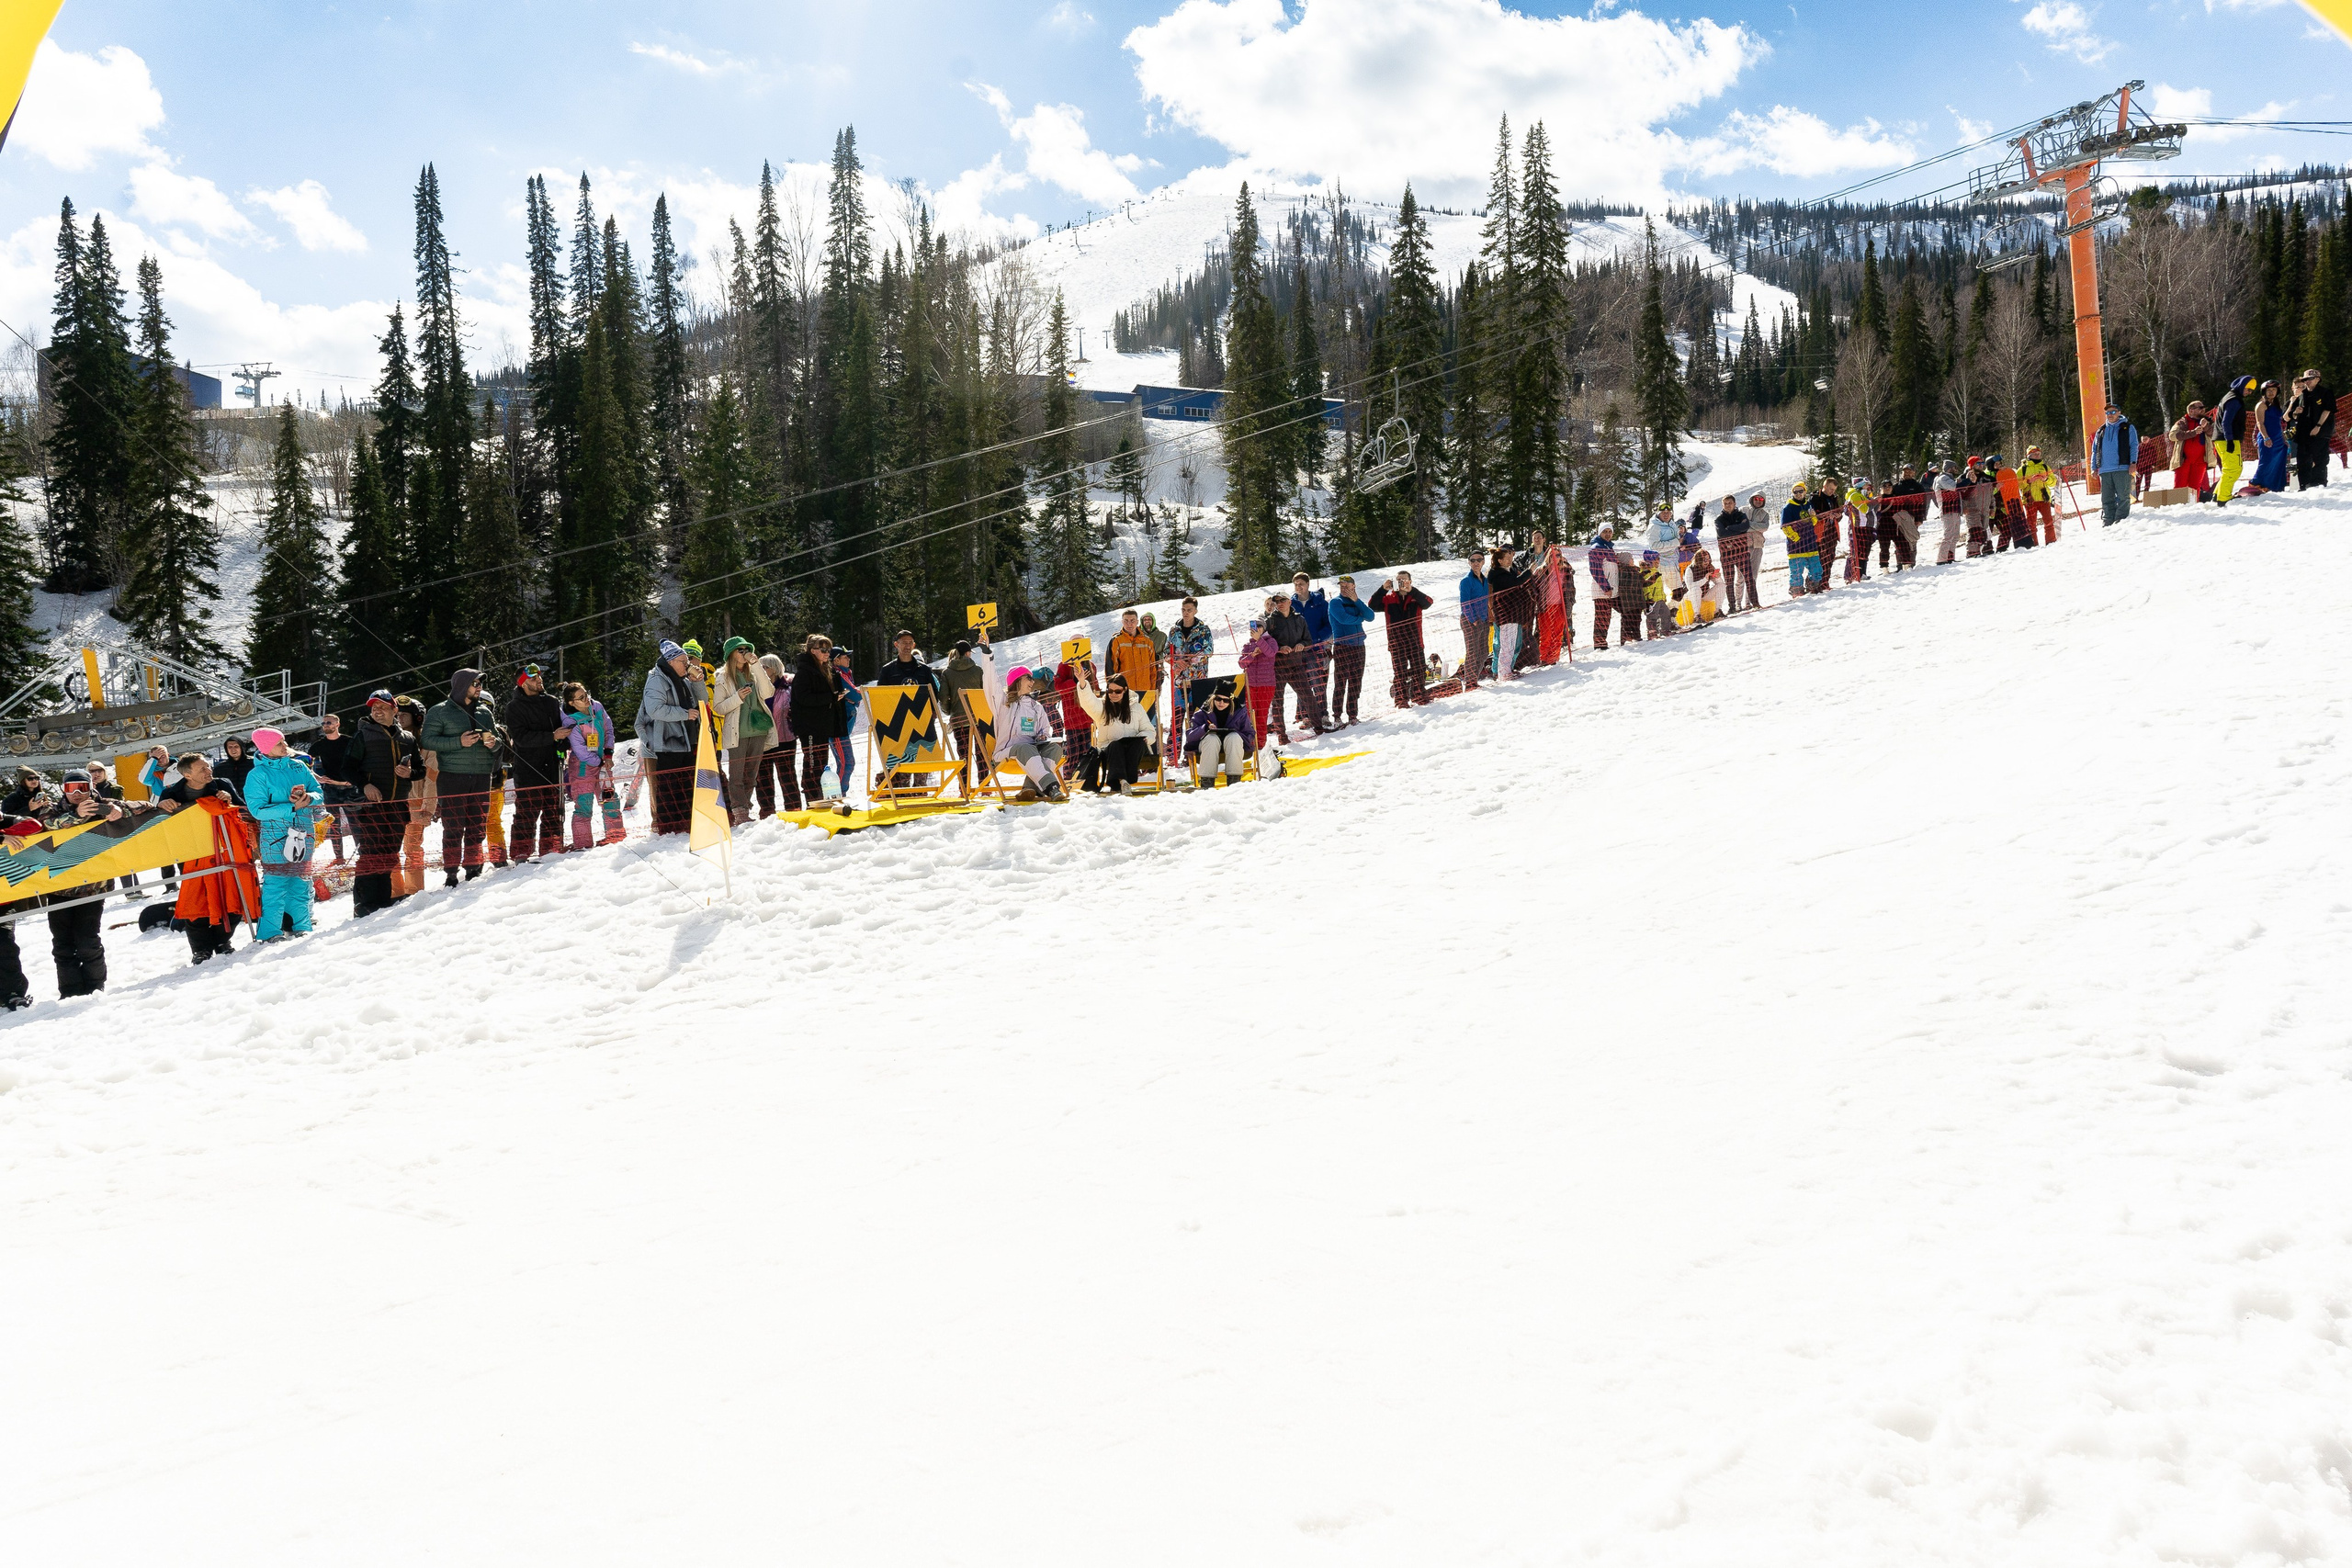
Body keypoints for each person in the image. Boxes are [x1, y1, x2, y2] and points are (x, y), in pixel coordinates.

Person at [155, 751, 256, 963]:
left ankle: (223, 941)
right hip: (192, 854)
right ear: (187, 775)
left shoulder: (222, 784)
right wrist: (160, 806)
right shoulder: (172, 793)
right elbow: (161, 822)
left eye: (208, 767)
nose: (208, 771)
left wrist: (229, 801)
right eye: (202, 769)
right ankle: (200, 949)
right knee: (196, 900)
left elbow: (242, 809)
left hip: (226, 849)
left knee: (231, 894)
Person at [37, 771, 128, 995]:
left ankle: (96, 986)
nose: (77, 793)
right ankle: (69, 990)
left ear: (91, 787)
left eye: (82, 787)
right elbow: (44, 825)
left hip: (92, 887)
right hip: (59, 887)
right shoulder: (53, 809)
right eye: (71, 788)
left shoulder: (103, 805)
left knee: (87, 941)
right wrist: (75, 816)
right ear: (63, 790)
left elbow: (141, 806)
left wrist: (120, 810)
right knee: (62, 944)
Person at [419, 668, 503, 883]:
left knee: (477, 824)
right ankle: (451, 872)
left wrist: (493, 744)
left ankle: (474, 867)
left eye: (480, 684)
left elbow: (497, 740)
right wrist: (459, 742)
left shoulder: (485, 712)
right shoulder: (439, 711)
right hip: (452, 776)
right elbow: (427, 740)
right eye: (475, 683)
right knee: (453, 826)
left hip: (482, 775)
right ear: (462, 685)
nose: (479, 688)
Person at [243, 728, 322, 941]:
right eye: (279, 743)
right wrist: (291, 808)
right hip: (275, 836)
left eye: (284, 741)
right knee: (275, 884)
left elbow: (318, 791)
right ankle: (270, 932)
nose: (285, 745)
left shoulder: (298, 766)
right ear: (267, 748)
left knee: (301, 880)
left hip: (304, 831)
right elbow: (257, 810)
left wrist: (309, 798)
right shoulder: (257, 775)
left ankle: (302, 925)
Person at [350, 689, 417, 917]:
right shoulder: (362, 735)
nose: (377, 711)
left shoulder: (408, 738)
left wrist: (410, 773)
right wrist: (365, 786)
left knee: (390, 852)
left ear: (394, 710)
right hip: (371, 806)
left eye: (382, 707)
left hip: (398, 805)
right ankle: (363, 903)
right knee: (371, 853)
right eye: (374, 708)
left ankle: (382, 899)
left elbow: (421, 770)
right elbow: (347, 768)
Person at [639, 639, 709, 831]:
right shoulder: (656, 679)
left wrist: (698, 683)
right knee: (669, 789)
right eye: (684, 662)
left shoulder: (684, 679)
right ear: (671, 662)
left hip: (688, 741)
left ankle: (687, 823)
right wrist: (684, 714)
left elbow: (703, 701)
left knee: (687, 786)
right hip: (667, 742)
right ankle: (669, 828)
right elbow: (654, 710)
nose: (688, 666)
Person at [502, 662, 569, 862]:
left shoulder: (550, 702)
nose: (539, 680)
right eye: (533, 678)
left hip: (552, 765)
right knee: (527, 812)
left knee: (553, 809)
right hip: (528, 767)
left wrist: (562, 742)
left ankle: (551, 849)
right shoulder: (513, 707)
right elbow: (521, 738)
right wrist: (552, 736)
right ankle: (521, 852)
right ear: (523, 683)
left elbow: (560, 729)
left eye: (539, 677)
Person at [710, 637, 777, 823]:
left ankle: (743, 810)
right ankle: (739, 812)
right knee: (737, 775)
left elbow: (768, 693)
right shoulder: (722, 677)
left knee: (751, 774)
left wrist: (756, 665)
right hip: (737, 732)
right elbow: (719, 707)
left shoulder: (754, 673)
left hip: (758, 730)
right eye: (740, 650)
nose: (745, 652)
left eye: (747, 648)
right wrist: (737, 697)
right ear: (731, 653)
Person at [989, 650, 1068, 803]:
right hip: (1005, 753)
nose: (1033, 681)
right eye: (1029, 677)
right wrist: (987, 655)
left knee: (1055, 748)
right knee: (1025, 747)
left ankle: (1029, 789)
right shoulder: (1003, 703)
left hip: (1031, 753)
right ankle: (1052, 787)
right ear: (1017, 680)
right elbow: (991, 682)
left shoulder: (1036, 706)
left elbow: (1045, 728)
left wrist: (1043, 736)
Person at [1072, 668, 1161, 794]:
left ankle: (1122, 781)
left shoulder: (1136, 707)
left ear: (1125, 690)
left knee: (1140, 743)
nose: (1113, 694)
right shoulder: (1102, 707)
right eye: (1110, 691)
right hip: (1110, 750)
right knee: (1116, 745)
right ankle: (1122, 781)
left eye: (1117, 691)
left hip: (1133, 749)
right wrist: (1082, 683)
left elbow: (1149, 730)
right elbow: (1089, 703)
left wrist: (1146, 737)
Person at [786, 634, 847, 807]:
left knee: (821, 764)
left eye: (829, 649)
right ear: (813, 651)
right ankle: (812, 800)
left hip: (823, 725)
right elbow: (804, 699)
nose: (828, 653)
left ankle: (820, 797)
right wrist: (831, 697)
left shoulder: (826, 669)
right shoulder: (804, 672)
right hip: (809, 727)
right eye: (824, 650)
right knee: (812, 764)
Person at [557, 682, 616, 849]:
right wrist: (599, 762)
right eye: (581, 698)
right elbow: (580, 749)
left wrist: (608, 753)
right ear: (571, 703)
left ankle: (615, 836)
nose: (587, 699)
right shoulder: (570, 720)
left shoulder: (596, 707)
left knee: (610, 799)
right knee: (584, 806)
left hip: (603, 761)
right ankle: (583, 844)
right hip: (582, 767)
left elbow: (608, 728)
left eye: (586, 694)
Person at [1265, 587, 1326, 737]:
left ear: (1289, 601)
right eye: (1276, 601)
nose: (1279, 603)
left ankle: (1319, 729)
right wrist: (1279, 648)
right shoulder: (1269, 622)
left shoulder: (1300, 619)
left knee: (1308, 696)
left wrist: (1302, 645)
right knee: (1278, 702)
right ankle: (1282, 735)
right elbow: (1265, 644)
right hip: (1278, 667)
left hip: (1297, 665)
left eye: (1282, 600)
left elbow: (1308, 639)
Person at [1369, 571, 1433, 707]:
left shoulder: (1415, 597)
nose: (1401, 583)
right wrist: (1383, 589)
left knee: (1419, 669)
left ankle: (1419, 696)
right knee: (1399, 672)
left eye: (1404, 580)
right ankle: (1401, 700)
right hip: (1396, 642)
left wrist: (1412, 591)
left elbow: (1428, 603)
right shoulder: (1389, 599)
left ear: (1410, 582)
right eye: (1398, 580)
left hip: (1415, 641)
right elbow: (1372, 606)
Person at [754, 653, 801, 815]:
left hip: (785, 738)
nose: (760, 670)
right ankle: (767, 811)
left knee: (787, 775)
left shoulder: (789, 686)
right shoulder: (755, 688)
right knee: (763, 778)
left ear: (774, 669)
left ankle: (794, 809)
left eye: (764, 667)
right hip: (763, 739)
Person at [1327, 576, 1376, 725]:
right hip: (1343, 646)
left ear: (1354, 586)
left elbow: (1371, 616)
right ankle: (1337, 715)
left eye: (1347, 585)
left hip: (1359, 646)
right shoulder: (1335, 602)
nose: (1343, 587)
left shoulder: (1357, 602)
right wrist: (1360, 618)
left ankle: (1353, 715)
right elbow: (1343, 619)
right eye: (1341, 585)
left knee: (1356, 682)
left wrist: (1357, 602)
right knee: (1341, 681)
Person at [1186, 681, 1253, 787]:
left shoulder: (1239, 712)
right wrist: (1205, 728)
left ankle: (1234, 783)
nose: (1221, 703)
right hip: (1208, 747)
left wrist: (1236, 733)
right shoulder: (1203, 712)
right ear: (1213, 698)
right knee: (1211, 738)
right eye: (1218, 699)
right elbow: (1190, 736)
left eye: (1225, 700)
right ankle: (1207, 784)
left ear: (1231, 701)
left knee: (1234, 737)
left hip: (1233, 746)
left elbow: (1249, 733)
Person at [1290, 572, 1334, 718]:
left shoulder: (1320, 602)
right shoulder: (1290, 604)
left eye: (1301, 584)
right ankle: (1305, 716)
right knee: (1302, 684)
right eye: (1296, 584)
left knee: (1317, 682)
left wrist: (1319, 638)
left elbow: (1329, 625)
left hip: (1315, 649)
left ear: (1308, 584)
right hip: (1297, 651)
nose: (1298, 587)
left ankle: (1322, 714)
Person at [1487, 544, 1532, 679]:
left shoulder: (1510, 570)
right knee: (1505, 646)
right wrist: (1530, 571)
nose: (1509, 559)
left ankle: (1508, 670)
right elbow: (1515, 582)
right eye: (1506, 558)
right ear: (1499, 560)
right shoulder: (1496, 574)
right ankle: (1502, 673)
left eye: (1510, 556)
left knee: (1512, 644)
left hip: (1514, 613)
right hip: (1504, 614)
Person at [2090, 403, 2139, 526]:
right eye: (2107, 413)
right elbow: (2095, 450)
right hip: (2104, 469)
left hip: (2122, 467)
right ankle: (2107, 519)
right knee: (2106, 497)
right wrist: (2093, 467)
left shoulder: (2128, 428)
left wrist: (2133, 463)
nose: (2110, 415)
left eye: (2113, 412)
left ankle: (2120, 520)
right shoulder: (2101, 430)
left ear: (2119, 413)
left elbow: (2134, 446)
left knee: (2123, 496)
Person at [2289, 367, 2336, 490]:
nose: (2307, 381)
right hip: (2303, 432)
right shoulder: (2302, 395)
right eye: (2305, 379)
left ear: (2317, 379)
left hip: (2321, 431)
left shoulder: (2326, 393)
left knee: (2320, 458)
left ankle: (2318, 483)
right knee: (2302, 459)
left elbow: (2328, 410)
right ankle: (2304, 485)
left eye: (2310, 379)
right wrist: (2295, 412)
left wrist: (2318, 426)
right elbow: (2290, 415)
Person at [942, 639, 984, 775]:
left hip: (959, 720)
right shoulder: (978, 670)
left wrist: (949, 711)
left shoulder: (947, 672)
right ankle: (985, 787)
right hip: (978, 718)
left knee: (963, 755)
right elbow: (985, 692)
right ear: (967, 653)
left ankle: (964, 788)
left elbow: (943, 697)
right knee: (981, 753)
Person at [1167, 597, 1216, 710]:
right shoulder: (1174, 631)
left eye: (1189, 610)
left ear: (1195, 611)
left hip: (1198, 678)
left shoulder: (1204, 630)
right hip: (1179, 679)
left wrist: (1190, 660)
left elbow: (1209, 650)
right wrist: (1176, 661)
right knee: (1177, 716)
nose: (1186, 613)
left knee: (1196, 715)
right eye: (1183, 610)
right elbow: (1166, 652)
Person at [1238, 610, 1280, 742]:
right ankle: (1251, 744)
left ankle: (1261, 744)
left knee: (1261, 716)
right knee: (1250, 715)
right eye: (1253, 627)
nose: (1256, 629)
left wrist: (1259, 640)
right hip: (1250, 685)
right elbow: (1241, 663)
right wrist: (1252, 655)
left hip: (1266, 685)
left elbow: (1271, 653)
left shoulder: (1271, 641)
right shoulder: (1248, 645)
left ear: (1264, 628)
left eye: (1259, 626)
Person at [2213, 377, 2254, 506]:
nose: (2249, 393)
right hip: (2227, 439)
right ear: (2242, 386)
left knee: (2229, 468)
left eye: (2252, 391)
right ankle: (2224, 498)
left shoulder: (2229, 397)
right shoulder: (2234, 400)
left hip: (2221, 438)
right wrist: (2230, 439)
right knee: (2233, 469)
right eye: (2248, 389)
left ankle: (2217, 494)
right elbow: (2226, 421)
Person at [1532, 532, 1569, 665]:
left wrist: (1570, 601)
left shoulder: (1565, 570)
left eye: (1559, 554)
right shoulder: (1541, 570)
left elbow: (1571, 589)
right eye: (1554, 554)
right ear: (1548, 555)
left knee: (1558, 633)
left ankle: (1554, 657)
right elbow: (1534, 587)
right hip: (1546, 605)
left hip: (1560, 605)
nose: (1556, 557)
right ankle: (1543, 658)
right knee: (1546, 633)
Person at [1713, 495, 1754, 613]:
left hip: (1742, 552)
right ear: (1722, 505)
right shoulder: (1719, 519)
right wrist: (1738, 529)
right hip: (1726, 555)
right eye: (1725, 503)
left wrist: (1730, 528)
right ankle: (1732, 606)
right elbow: (1722, 534)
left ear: (1735, 503)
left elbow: (1746, 526)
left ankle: (1755, 602)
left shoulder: (1741, 515)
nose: (1727, 505)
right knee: (1729, 581)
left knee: (1749, 578)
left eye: (1730, 503)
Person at [829, 647, 862, 794]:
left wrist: (853, 696)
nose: (848, 659)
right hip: (837, 727)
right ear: (836, 660)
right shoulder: (838, 674)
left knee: (844, 763)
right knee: (847, 763)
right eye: (845, 656)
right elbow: (856, 695)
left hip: (842, 726)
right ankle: (838, 794)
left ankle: (838, 794)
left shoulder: (846, 674)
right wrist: (853, 696)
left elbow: (854, 696)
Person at [1106, 610, 1158, 702]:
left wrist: (1153, 690)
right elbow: (1111, 668)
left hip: (1145, 690)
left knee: (1145, 716)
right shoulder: (1116, 641)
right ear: (1122, 622)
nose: (1129, 624)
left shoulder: (1147, 641)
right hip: (1125, 691)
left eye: (1132, 620)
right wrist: (1114, 691)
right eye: (1126, 621)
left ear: (1137, 622)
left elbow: (1153, 668)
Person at [1457, 547, 1491, 687]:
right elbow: (1464, 604)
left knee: (1484, 652)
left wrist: (1487, 617)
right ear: (1469, 563)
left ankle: (1473, 678)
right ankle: (1471, 682)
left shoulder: (1484, 579)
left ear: (1483, 561)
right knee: (1472, 652)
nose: (1476, 563)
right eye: (1473, 560)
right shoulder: (1466, 581)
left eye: (1479, 560)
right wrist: (1474, 620)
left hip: (1483, 619)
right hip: (1470, 620)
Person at [1782, 485, 1823, 594]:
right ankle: (1796, 590)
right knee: (1796, 571)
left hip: (1810, 543)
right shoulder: (1788, 508)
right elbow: (1785, 526)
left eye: (1800, 491)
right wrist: (1796, 538)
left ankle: (1813, 586)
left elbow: (1813, 522)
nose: (1798, 494)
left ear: (1805, 492)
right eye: (1795, 492)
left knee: (1816, 568)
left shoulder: (1808, 505)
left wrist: (1814, 516)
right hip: (1796, 547)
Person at [2252, 379, 2290, 493]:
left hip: (2278, 438)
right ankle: (2257, 485)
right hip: (2267, 437)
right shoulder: (2261, 405)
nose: (2271, 392)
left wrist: (2284, 439)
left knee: (2279, 463)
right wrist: (2265, 437)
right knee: (2266, 462)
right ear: (2264, 391)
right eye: (2269, 390)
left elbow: (2279, 423)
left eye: (2274, 390)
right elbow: (2260, 423)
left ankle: (2276, 487)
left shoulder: (2276, 405)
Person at [2168, 402, 2213, 499]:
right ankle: (2177, 508)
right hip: (2184, 460)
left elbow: (2214, 434)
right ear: (2191, 410)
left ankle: (2192, 508)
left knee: (2195, 487)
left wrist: (2206, 427)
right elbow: (2172, 436)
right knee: (2179, 486)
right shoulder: (2181, 422)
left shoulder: (2207, 422)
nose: (2203, 410)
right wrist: (2192, 433)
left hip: (2200, 460)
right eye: (2200, 408)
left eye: (2203, 408)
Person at [1588, 526, 1621, 648]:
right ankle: (1599, 643)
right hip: (1602, 590)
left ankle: (1627, 636)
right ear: (1599, 533)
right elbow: (1595, 570)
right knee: (1602, 617)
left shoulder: (1609, 547)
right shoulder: (1596, 548)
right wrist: (1605, 587)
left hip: (1613, 589)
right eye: (1605, 532)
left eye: (1610, 531)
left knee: (1609, 616)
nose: (1607, 534)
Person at [2018, 448, 2058, 545]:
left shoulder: (2045, 467)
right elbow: (2017, 484)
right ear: (2029, 456)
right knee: (2031, 524)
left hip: (2044, 499)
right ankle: (2033, 544)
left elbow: (2053, 482)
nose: (2038, 455)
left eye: (2039, 454)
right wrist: (2028, 481)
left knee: (2049, 522)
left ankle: (2051, 541)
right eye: (2035, 454)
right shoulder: (2022, 469)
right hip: (2029, 500)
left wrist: (2046, 479)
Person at [1636, 550, 1671, 638]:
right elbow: (1645, 587)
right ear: (1651, 560)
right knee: (1652, 617)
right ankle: (1652, 633)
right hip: (1651, 600)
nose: (1659, 561)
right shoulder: (1645, 572)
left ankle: (1665, 630)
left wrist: (1663, 596)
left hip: (1660, 598)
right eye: (1657, 559)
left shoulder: (1656, 570)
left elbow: (1659, 586)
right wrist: (1649, 598)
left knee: (1666, 613)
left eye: (1659, 559)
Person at [1686, 547, 1725, 624]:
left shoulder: (1710, 567)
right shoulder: (1690, 569)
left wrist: (1718, 577)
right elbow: (1689, 587)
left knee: (1721, 585)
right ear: (1699, 560)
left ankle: (1717, 611)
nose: (1707, 562)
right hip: (1691, 595)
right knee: (1696, 589)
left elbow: (1720, 584)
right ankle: (1697, 616)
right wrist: (1704, 579)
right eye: (1705, 560)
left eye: (1708, 559)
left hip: (1705, 594)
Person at [215, 733, 254, 800]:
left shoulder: (254, 763)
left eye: (236, 746)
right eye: (230, 747)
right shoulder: (220, 768)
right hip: (230, 803)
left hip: (252, 801)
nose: (233, 749)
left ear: (241, 748)